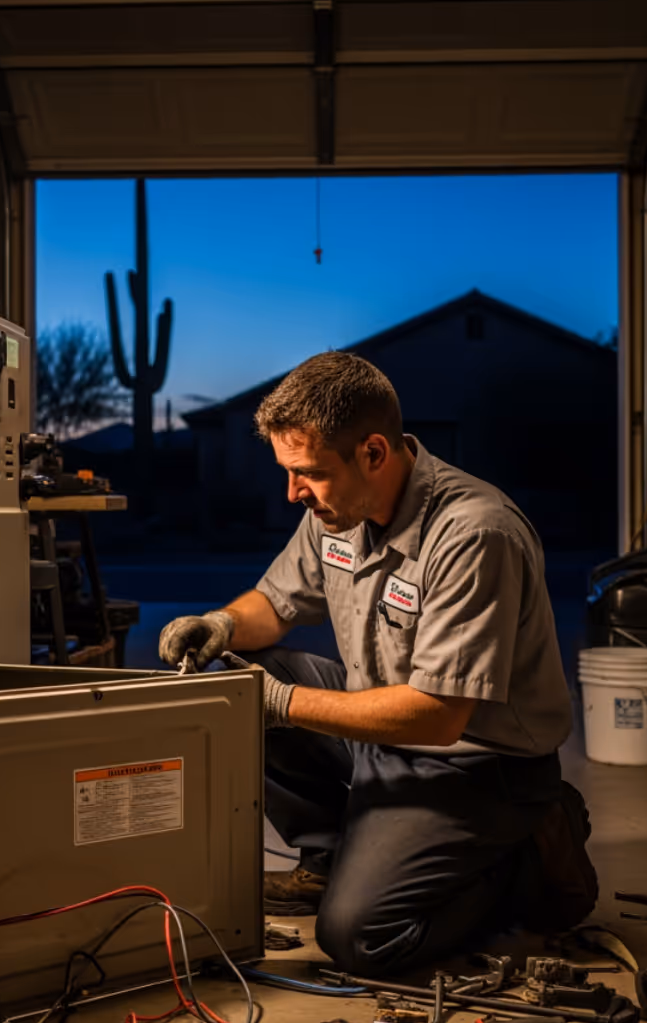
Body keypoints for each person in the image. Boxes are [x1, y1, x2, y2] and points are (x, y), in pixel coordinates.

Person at [158, 351, 590, 978]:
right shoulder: (336, 510)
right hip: (381, 726)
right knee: (233, 672)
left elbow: (438, 717)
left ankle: (522, 856)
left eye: (308, 473)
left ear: (375, 454)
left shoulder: (473, 534)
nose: (292, 493)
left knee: (360, 936)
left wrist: (278, 704)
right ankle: (331, 857)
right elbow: (275, 605)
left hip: (476, 764)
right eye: (287, 472)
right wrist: (220, 624)